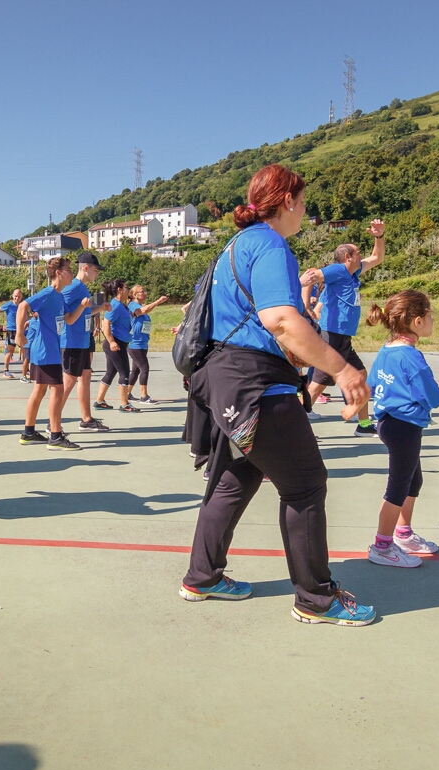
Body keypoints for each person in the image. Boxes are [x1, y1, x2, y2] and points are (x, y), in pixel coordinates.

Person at [179, 164, 376, 626]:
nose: (305, 210)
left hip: (225, 380)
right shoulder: (269, 244)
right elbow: (282, 321)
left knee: (234, 479)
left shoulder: (234, 246)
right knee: (305, 485)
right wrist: (343, 370)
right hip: (255, 383)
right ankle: (316, 599)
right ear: (286, 201)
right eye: (303, 202)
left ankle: (202, 575)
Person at [363, 291, 439, 567]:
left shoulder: (386, 350)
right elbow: (434, 397)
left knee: (413, 481)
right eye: (429, 315)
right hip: (404, 427)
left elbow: (371, 384)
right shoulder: (411, 357)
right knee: (398, 487)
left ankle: (402, 534)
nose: (432, 320)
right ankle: (382, 546)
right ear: (416, 322)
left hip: (390, 424)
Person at [301, 219, 386, 436]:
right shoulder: (338, 270)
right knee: (317, 385)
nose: (361, 255)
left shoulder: (354, 273)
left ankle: (364, 425)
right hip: (331, 335)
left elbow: (377, 257)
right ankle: (294, 430)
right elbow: (311, 276)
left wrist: (379, 236)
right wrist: (305, 306)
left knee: (360, 376)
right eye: (358, 252)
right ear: (348, 257)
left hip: (343, 337)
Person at [16, 257, 84, 450]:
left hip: (48, 350)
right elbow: (23, 306)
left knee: (39, 390)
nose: (71, 273)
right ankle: (55, 436)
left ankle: (28, 432)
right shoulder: (48, 293)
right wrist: (19, 334)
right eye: (69, 269)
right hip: (46, 351)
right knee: (58, 390)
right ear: (58, 273)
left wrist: (84, 306)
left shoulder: (60, 297)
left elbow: (69, 320)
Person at [59, 251, 110, 433]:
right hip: (71, 341)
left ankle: (86, 420)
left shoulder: (83, 288)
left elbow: (84, 311)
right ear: (86, 268)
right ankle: (53, 422)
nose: (97, 273)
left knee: (85, 377)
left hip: (82, 340)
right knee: (69, 381)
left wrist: (99, 307)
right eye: (96, 270)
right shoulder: (72, 287)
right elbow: (61, 309)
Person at [93, 278, 137, 413]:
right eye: (126, 287)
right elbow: (106, 323)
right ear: (119, 289)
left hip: (120, 342)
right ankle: (125, 404)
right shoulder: (116, 305)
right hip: (115, 344)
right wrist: (112, 342)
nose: (128, 289)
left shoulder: (122, 305)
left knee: (110, 372)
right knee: (124, 372)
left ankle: (99, 401)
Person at [127, 285, 168, 404]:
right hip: (135, 344)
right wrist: (158, 301)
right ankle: (144, 396)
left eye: (145, 290)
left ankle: (127, 393)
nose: (145, 293)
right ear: (135, 295)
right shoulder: (133, 306)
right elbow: (143, 311)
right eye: (142, 291)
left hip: (143, 343)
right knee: (144, 367)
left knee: (136, 370)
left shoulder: (141, 306)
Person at [0, 289, 24, 378]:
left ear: (21, 297)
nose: (17, 298)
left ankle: (26, 370)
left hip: (21, 330)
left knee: (24, 350)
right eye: (15, 296)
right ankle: (6, 370)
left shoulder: (23, 305)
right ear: (12, 296)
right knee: (10, 351)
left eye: (19, 296)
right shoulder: (8, 305)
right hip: (11, 330)